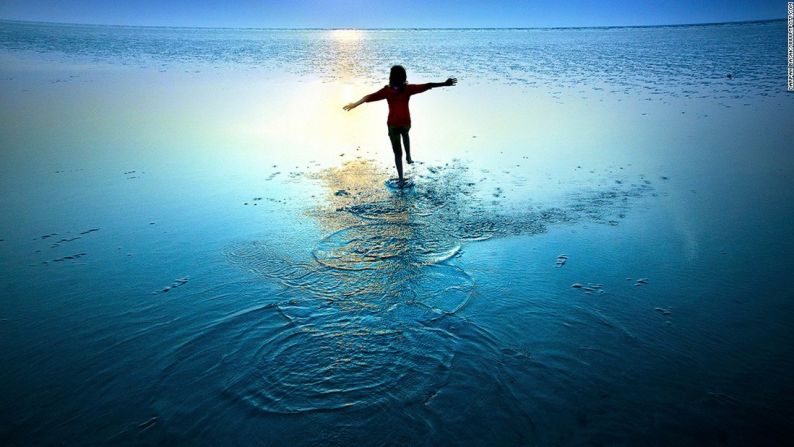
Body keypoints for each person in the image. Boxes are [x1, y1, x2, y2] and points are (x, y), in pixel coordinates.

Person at [343, 65, 457, 186]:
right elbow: (428, 85)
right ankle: (408, 156)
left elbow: (368, 97)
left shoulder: (387, 91)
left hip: (393, 125)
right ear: (404, 77)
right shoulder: (407, 89)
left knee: (397, 154)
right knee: (406, 134)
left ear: (391, 77)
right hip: (405, 123)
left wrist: (354, 104)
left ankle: (401, 180)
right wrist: (445, 84)